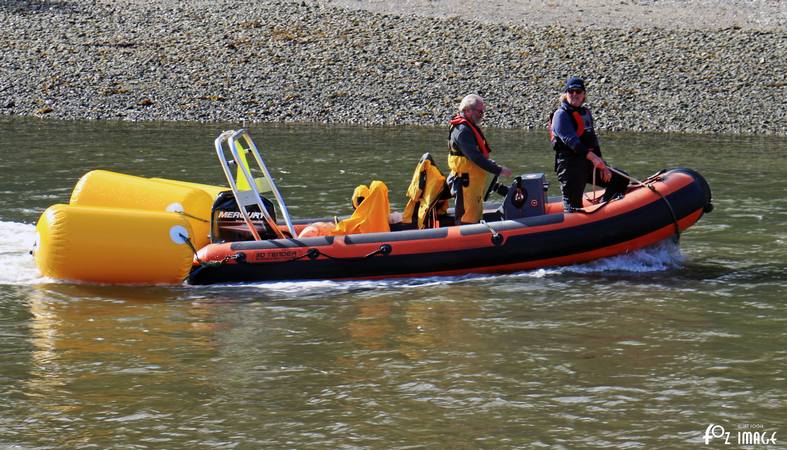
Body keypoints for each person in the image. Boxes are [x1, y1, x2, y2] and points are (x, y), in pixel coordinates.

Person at [550, 77, 629, 211]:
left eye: (578, 91)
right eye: (571, 91)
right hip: (570, 167)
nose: (574, 94)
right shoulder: (561, 115)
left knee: (620, 179)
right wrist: (594, 159)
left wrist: (602, 165)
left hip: (587, 164)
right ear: (566, 93)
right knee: (573, 207)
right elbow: (572, 142)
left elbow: (593, 141)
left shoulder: (585, 113)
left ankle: (603, 211)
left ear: (583, 95)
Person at [448, 94, 513, 224]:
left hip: (472, 181)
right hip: (465, 183)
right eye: (480, 111)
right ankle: (465, 239)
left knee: (474, 212)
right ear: (467, 110)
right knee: (467, 216)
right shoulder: (462, 131)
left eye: (483, 111)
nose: (482, 115)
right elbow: (475, 157)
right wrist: (499, 170)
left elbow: (474, 155)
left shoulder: (467, 126)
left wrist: (491, 165)